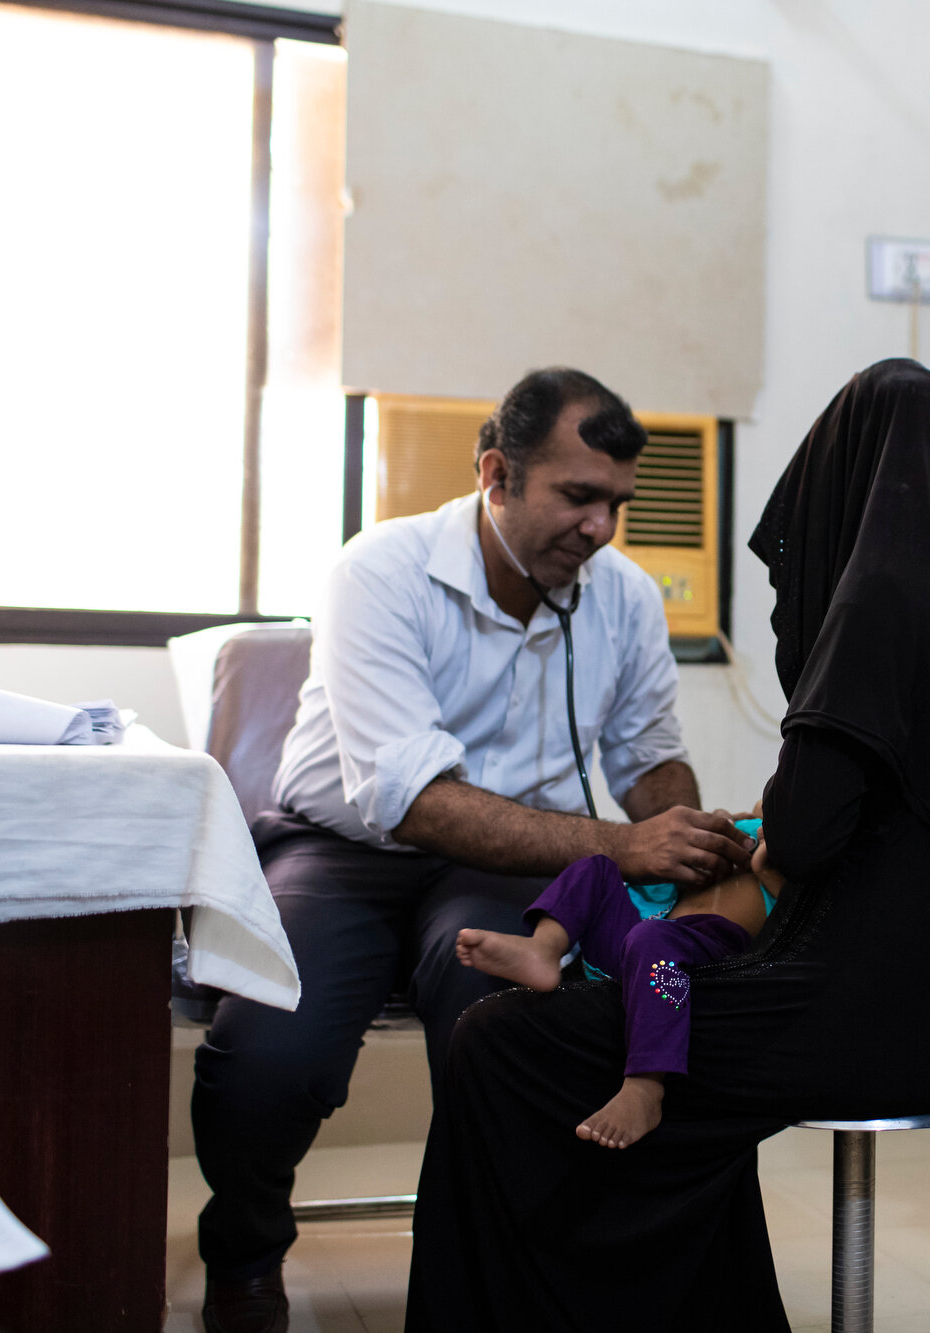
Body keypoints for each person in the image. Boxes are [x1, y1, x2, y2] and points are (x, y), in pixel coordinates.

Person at [405, 359, 930, 1332]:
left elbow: (812, 828)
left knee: (499, 1043)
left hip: (862, 1016)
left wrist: (750, 834)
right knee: (649, 1035)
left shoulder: (875, 608)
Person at [190, 367, 753, 1333]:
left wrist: (689, 843)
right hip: (344, 850)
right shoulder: (380, 570)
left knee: (510, 1029)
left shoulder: (620, 597)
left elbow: (651, 754)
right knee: (269, 1056)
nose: (602, 528)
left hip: (506, 868)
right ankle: (245, 1250)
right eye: (578, 497)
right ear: (496, 474)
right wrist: (625, 844)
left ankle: (499, 1261)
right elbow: (411, 802)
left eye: (617, 503)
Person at [454, 817, 783, 1149]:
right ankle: (544, 948)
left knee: (654, 938)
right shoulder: (755, 822)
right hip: (644, 932)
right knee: (596, 868)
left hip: (698, 957)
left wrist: (766, 856)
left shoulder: (798, 861)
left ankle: (645, 1086)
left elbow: (794, 883)